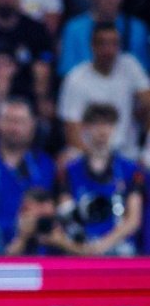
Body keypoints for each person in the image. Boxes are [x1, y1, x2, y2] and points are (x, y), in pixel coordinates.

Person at [46, 103, 144, 256]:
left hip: (120, 250)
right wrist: (83, 247)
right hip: (81, 249)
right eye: (96, 124)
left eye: (108, 124)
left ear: (114, 128)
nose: (102, 131)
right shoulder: (68, 171)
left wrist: (103, 245)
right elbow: (66, 211)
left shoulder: (130, 170)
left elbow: (133, 219)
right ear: (85, 128)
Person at [0, 97, 55, 255]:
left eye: (20, 121)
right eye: (9, 120)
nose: (14, 128)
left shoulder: (45, 165)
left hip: (30, 252)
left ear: (32, 124)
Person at [57, 22, 150, 163]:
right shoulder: (75, 78)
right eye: (103, 44)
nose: (109, 50)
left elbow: (148, 103)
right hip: (89, 153)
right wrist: (97, 161)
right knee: (66, 159)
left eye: (114, 44)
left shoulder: (130, 66)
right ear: (92, 46)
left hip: (128, 152)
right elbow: (72, 132)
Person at [58, 0, 149, 77]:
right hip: (84, 86)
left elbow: (143, 70)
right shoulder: (73, 28)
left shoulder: (137, 28)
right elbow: (67, 71)